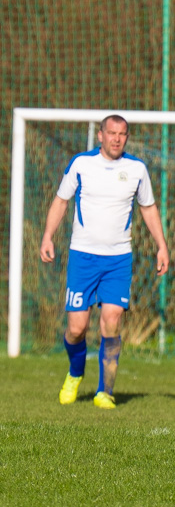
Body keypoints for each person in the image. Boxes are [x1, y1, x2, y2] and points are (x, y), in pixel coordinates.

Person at [40, 115, 169, 409]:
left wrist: (162, 246)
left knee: (111, 322)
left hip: (118, 260)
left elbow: (148, 208)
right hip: (82, 257)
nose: (117, 138)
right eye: (111, 133)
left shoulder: (137, 169)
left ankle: (105, 391)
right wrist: (48, 236)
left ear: (126, 137)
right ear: (100, 135)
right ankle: (75, 372)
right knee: (77, 328)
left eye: (122, 134)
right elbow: (61, 200)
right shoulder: (81, 164)